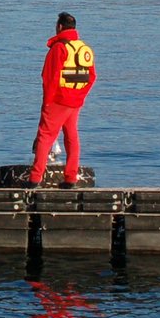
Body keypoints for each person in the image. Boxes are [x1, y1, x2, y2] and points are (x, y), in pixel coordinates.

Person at [26, 12, 96, 188]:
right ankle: (71, 178)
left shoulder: (59, 48)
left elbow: (49, 78)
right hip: (75, 101)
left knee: (45, 136)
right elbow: (92, 76)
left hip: (58, 100)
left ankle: (35, 179)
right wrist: (80, 95)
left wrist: (47, 103)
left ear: (59, 27)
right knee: (71, 137)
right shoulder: (82, 48)